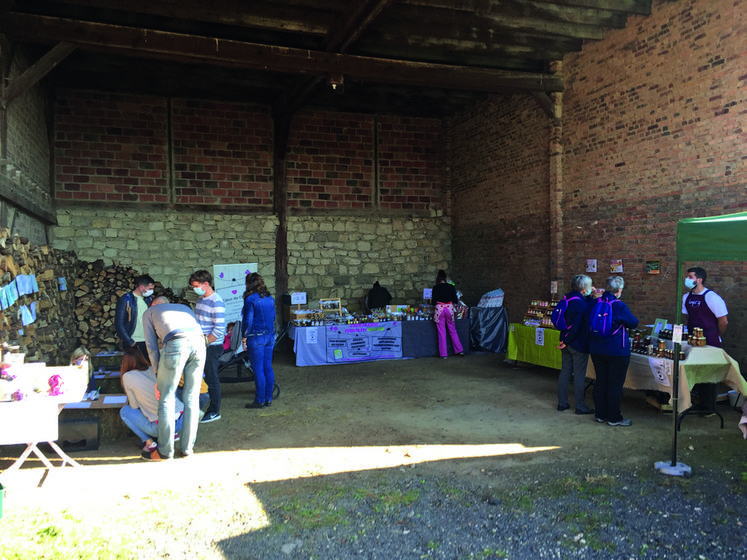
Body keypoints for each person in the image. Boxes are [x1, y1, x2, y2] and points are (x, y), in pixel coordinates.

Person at [142, 295, 205, 461]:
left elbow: (151, 346)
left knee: (166, 398)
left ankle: (165, 450)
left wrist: (157, 375)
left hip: (177, 343)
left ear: (153, 304)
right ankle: (187, 448)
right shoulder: (184, 308)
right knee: (192, 396)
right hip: (199, 343)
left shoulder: (149, 312)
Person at [589, 276, 639, 427]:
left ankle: (600, 414)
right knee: (615, 384)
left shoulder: (595, 302)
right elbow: (633, 323)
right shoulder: (619, 305)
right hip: (617, 350)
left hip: (597, 348)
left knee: (601, 381)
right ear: (619, 290)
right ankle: (614, 418)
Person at [119, 345, 184, 454]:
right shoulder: (153, 369)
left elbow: (134, 406)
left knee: (125, 411)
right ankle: (172, 433)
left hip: (161, 425)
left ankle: (149, 443)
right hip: (181, 418)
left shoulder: (127, 376)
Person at [682, 266, 728, 411]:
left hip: (710, 339)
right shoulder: (686, 297)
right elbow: (688, 317)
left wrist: (717, 335)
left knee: (710, 373)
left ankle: (709, 406)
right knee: (696, 369)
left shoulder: (712, 297)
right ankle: (700, 402)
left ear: (699, 280)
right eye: (687, 277)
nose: (687, 280)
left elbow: (723, 321)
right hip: (693, 339)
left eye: (690, 277)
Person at [189, 269, 226, 424]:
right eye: (193, 286)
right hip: (201, 343)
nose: (194, 288)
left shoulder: (216, 301)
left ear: (206, 284)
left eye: (197, 285)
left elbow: (219, 329)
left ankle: (214, 410)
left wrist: (204, 342)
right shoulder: (200, 299)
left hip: (212, 346)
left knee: (211, 378)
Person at [556, 274, 595, 415]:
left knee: (565, 372)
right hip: (577, 344)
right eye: (590, 287)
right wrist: (568, 341)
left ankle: (562, 403)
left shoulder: (567, 298)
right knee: (579, 375)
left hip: (564, 341)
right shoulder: (581, 305)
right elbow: (577, 326)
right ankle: (580, 406)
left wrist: (564, 341)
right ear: (584, 289)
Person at [241, 273, 276, 409]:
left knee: (258, 369)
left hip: (256, 337)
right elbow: (273, 317)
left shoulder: (250, 299)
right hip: (269, 336)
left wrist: (244, 337)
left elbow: (248, 320)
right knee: (268, 367)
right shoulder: (270, 298)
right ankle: (268, 398)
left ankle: (259, 400)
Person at [115, 274, 155, 358]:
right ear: (141, 287)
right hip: (134, 342)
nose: (152, 291)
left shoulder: (149, 300)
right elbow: (119, 324)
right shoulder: (126, 300)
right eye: (150, 289)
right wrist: (129, 342)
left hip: (148, 341)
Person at [430, 269, 464, 359]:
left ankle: (443, 354)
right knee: (452, 329)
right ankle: (459, 350)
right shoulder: (451, 287)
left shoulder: (435, 288)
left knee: (441, 332)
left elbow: (433, 302)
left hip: (440, 309)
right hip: (449, 309)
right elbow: (455, 300)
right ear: (445, 278)